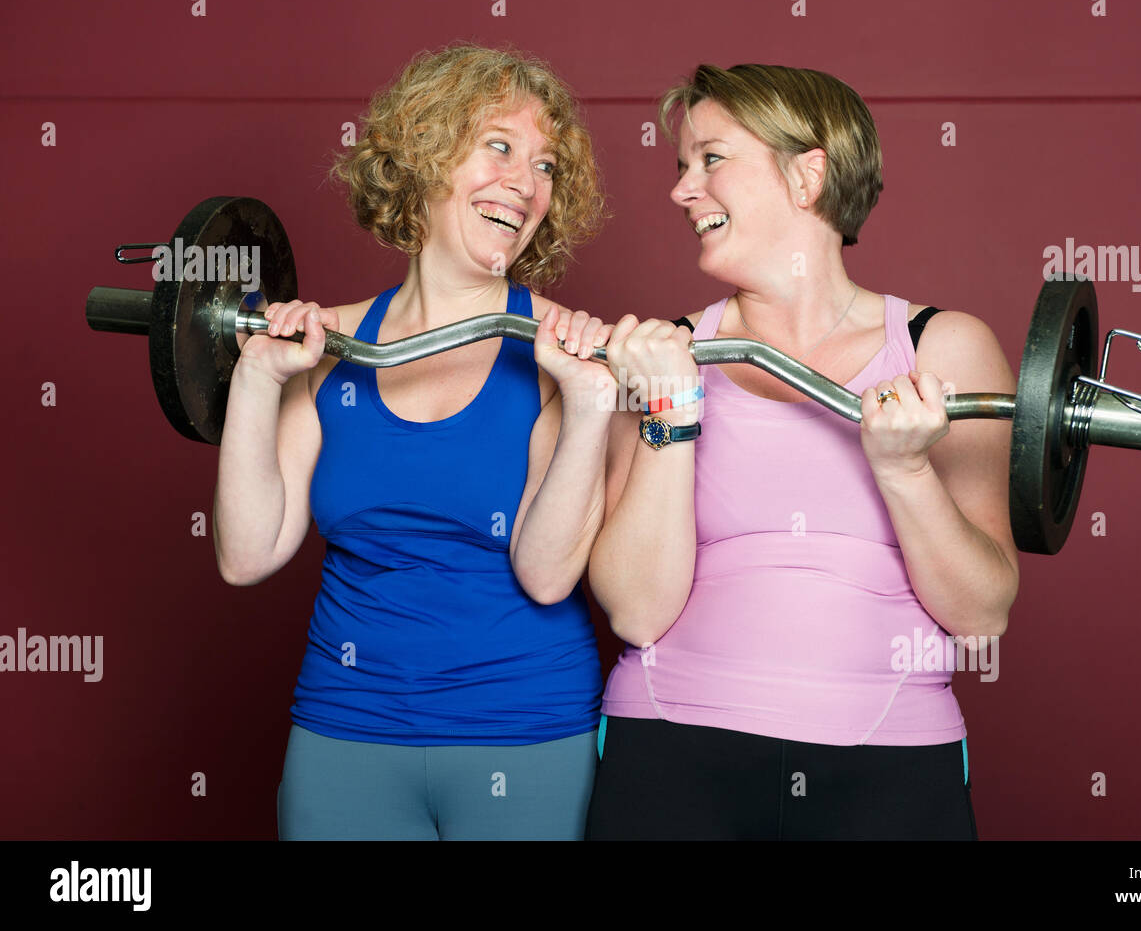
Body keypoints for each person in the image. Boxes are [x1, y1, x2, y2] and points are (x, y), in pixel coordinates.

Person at [584, 63, 1020, 839]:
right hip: (674, 749)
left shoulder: (940, 349)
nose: (682, 190)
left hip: (891, 761)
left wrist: (905, 468)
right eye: (682, 166)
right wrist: (670, 412)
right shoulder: (666, 354)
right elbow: (637, 611)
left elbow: (982, 614)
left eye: (710, 159)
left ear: (807, 174)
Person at [212, 44, 617, 839]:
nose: (524, 183)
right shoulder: (326, 347)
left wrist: (593, 401)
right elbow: (246, 554)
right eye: (499, 145)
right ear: (425, 153)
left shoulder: (560, 357)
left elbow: (545, 575)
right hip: (346, 725)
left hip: (525, 730)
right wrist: (257, 381)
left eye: (544, 166)